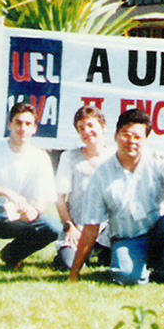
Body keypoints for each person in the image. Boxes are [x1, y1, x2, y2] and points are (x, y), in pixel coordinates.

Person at [69, 108, 164, 285]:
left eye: (138, 137)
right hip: (128, 238)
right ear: (116, 136)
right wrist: (75, 271)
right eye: (126, 134)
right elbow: (91, 227)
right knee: (126, 277)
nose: (131, 141)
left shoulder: (159, 159)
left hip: (161, 231)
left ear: (146, 140)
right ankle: (154, 266)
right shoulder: (101, 175)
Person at [0, 102, 59, 276]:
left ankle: (11, 255)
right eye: (18, 122)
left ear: (34, 129)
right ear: (10, 125)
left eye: (28, 124)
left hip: (19, 217)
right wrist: (7, 192)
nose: (23, 128)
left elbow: (44, 197)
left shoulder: (40, 157)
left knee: (53, 227)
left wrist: (34, 211)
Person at [52, 106, 113, 271]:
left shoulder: (116, 157)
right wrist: (69, 226)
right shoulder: (69, 157)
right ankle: (65, 254)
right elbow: (59, 198)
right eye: (81, 128)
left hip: (108, 229)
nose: (87, 131)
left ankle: (102, 252)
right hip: (78, 227)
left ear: (103, 126)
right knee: (69, 265)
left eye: (91, 125)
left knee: (116, 262)